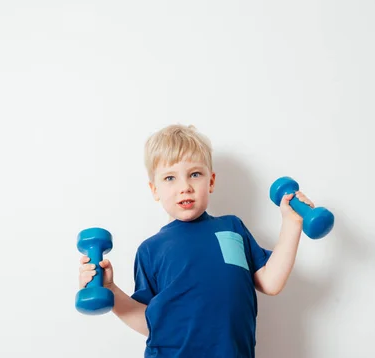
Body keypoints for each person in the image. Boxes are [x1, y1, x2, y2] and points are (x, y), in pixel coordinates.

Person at [78, 124, 315, 357]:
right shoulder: (151, 249)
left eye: (195, 174)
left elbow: (271, 282)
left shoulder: (232, 228)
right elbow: (150, 323)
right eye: (170, 178)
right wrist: (110, 289)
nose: (185, 187)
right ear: (154, 190)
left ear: (210, 181)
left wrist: (292, 224)